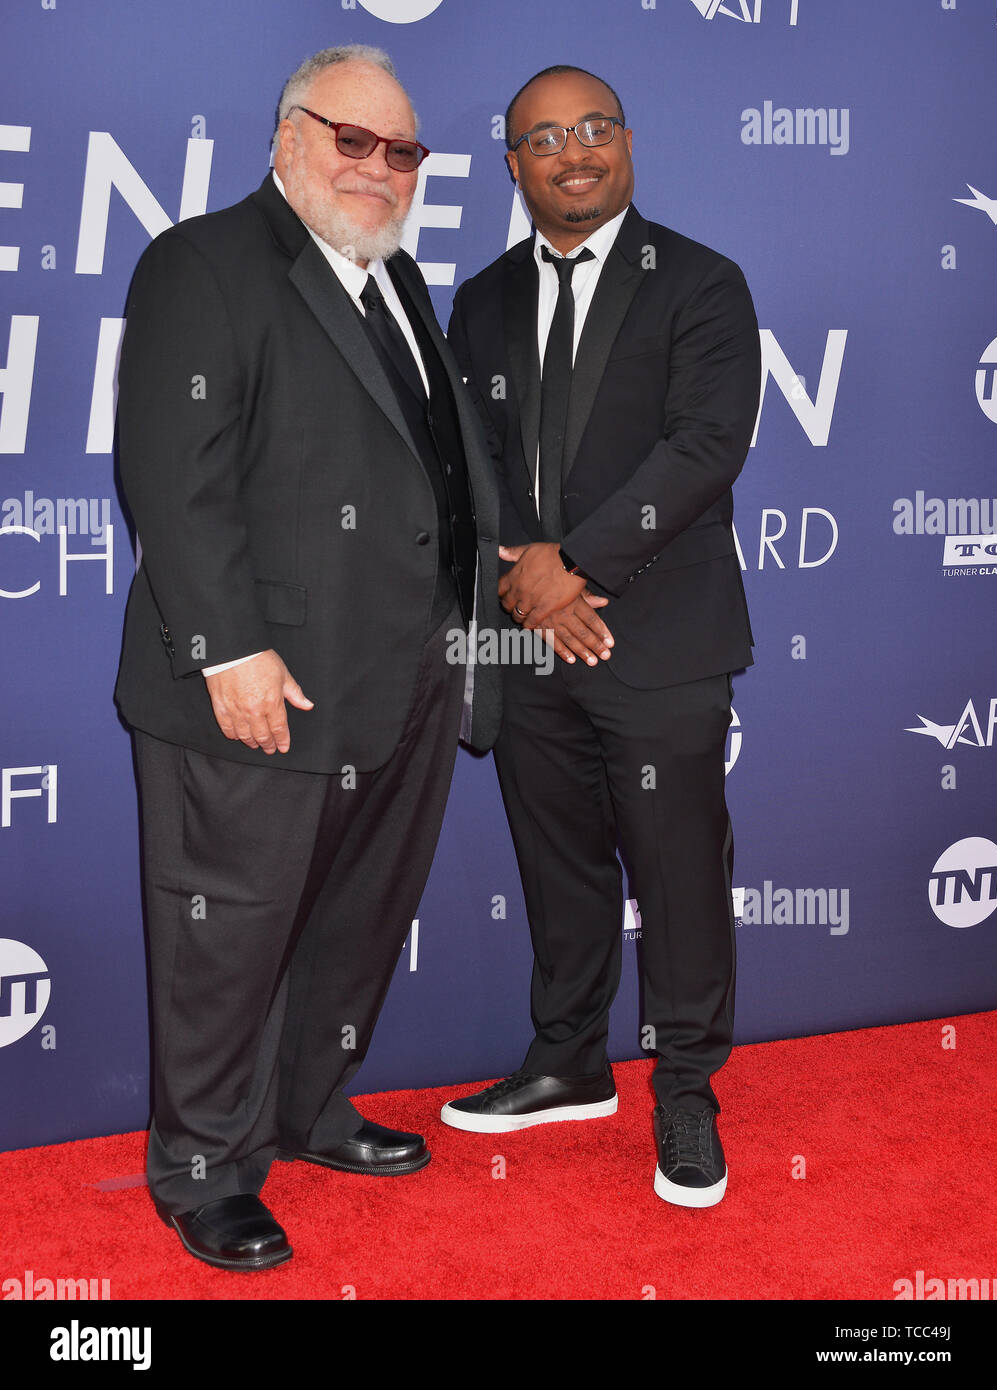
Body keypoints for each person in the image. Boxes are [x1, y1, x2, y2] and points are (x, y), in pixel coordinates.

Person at [114, 44, 500, 1270]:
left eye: (403, 153)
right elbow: (173, 481)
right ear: (287, 136)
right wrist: (227, 647)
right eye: (353, 141)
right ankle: (201, 1168)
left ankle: (306, 1110)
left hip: (405, 676)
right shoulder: (203, 264)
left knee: (354, 918)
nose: (380, 170)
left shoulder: (398, 280)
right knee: (226, 936)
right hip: (259, 682)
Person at [443, 65, 760, 1208]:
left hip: (659, 636)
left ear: (623, 141)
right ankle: (567, 1057)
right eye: (543, 137)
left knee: (676, 873)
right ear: (513, 161)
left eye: (592, 130)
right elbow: (470, 462)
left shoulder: (700, 284)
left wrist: (571, 565)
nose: (572, 153)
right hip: (529, 637)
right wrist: (525, 577)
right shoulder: (477, 300)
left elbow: (702, 446)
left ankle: (684, 1084)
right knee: (558, 859)